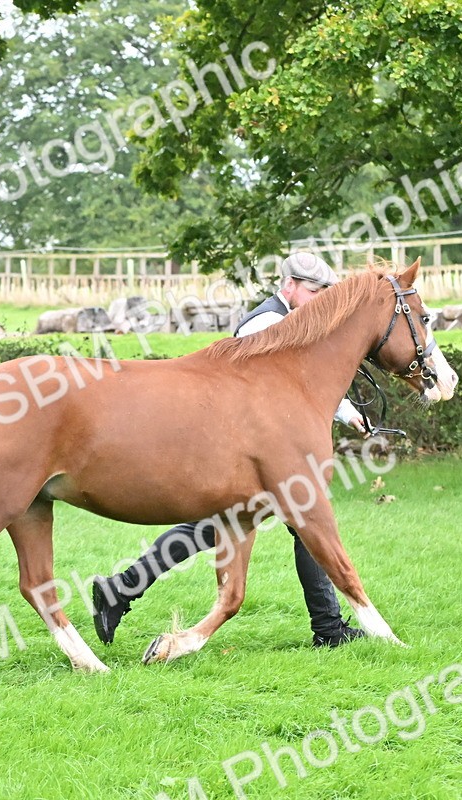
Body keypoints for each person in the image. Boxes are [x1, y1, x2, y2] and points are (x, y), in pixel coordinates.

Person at [90, 251, 369, 649]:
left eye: (323, 293)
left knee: (225, 529)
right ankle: (329, 629)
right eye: (313, 291)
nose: (318, 300)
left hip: (263, 452)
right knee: (289, 527)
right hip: (247, 452)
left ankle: (122, 588)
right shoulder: (266, 323)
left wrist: (346, 411)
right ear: (289, 285)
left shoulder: (288, 320)